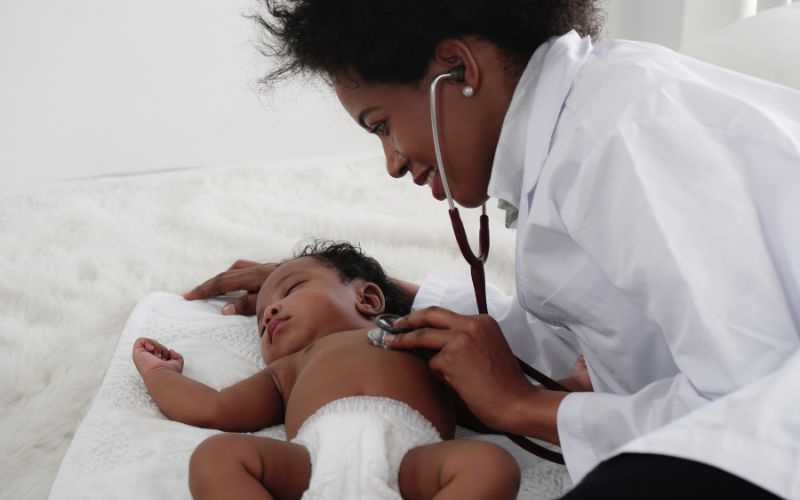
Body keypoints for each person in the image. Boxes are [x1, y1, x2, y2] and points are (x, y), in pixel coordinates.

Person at [184, 1, 800, 497]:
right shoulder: (578, 125)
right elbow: (606, 328)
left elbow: (747, 403)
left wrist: (526, 407)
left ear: (459, 69)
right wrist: (341, 284)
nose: (393, 163)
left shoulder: (623, 139)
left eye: (382, 125)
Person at [134, 241, 523, 499]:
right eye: (260, 323)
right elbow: (215, 408)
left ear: (368, 298)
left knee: (490, 465)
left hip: (413, 461)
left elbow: (491, 399)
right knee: (215, 456)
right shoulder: (289, 369)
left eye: (290, 290)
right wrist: (160, 373)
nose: (268, 311)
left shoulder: (414, 340)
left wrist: (566, 386)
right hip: (313, 462)